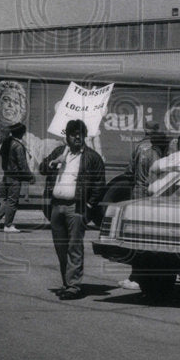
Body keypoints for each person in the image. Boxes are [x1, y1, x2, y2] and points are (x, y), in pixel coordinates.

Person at [39, 119, 105, 300]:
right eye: (73, 133)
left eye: (80, 134)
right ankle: (66, 283)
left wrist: (89, 205)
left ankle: (74, 287)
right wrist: (54, 162)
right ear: (66, 136)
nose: (77, 137)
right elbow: (42, 169)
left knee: (74, 247)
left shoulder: (92, 157)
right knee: (61, 247)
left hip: (76, 208)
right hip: (56, 206)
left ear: (84, 136)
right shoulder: (59, 152)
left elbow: (100, 184)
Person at [117, 121, 169, 291]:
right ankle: (146, 276)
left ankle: (136, 275)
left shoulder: (139, 147)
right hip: (153, 195)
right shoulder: (159, 151)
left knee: (136, 237)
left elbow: (129, 171)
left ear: (145, 131)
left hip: (138, 194)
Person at [0, 122, 34, 233]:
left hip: (7, 176)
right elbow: (22, 164)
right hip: (15, 177)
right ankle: (8, 225)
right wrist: (29, 176)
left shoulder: (7, 143)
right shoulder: (18, 146)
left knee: (7, 201)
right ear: (21, 133)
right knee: (12, 202)